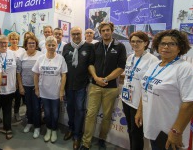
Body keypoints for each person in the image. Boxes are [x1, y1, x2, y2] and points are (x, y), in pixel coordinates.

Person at [135, 29, 193, 150]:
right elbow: (145, 88)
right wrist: (140, 111)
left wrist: (176, 131)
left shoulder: (184, 68)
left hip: (169, 129)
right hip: (153, 124)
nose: (166, 47)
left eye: (172, 44)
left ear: (180, 47)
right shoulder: (155, 65)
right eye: (162, 43)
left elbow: (190, 102)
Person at [80, 22, 127, 150]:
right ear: (100, 33)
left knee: (106, 116)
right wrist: (96, 78)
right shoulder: (95, 47)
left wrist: (106, 79)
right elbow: (90, 64)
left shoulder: (120, 47)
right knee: (90, 115)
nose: (106, 32)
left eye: (108, 30)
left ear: (112, 31)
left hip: (111, 88)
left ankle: (102, 138)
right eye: (103, 30)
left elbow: (121, 67)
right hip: (95, 86)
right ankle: (86, 143)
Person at [120, 31, 158, 150]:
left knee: (136, 133)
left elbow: (149, 85)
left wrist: (141, 108)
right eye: (133, 41)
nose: (135, 44)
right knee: (131, 130)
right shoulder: (130, 57)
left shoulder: (152, 60)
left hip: (139, 102)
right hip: (126, 99)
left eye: (139, 41)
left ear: (146, 42)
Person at [62, 27, 95, 150]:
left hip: (81, 85)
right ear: (70, 35)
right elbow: (63, 66)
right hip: (68, 85)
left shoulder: (89, 47)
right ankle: (70, 129)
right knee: (70, 108)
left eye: (78, 34)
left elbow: (91, 64)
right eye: (73, 34)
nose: (76, 36)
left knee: (80, 110)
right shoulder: (66, 48)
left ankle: (77, 136)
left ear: (82, 34)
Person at [32, 36, 68, 143]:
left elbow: (64, 75)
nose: (51, 47)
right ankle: (48, 129)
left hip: (56, 91)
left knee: (55, 113)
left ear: (56, 46)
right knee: (47, 113)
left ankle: (54, 130)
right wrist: (37, 89)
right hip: (44, 91)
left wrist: (61, 90)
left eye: (53, 45)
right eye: (49, 45)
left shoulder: (60, 58)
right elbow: (35, 75)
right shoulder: (40, 58)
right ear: (46, 46)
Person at [0, 35, 21, 141]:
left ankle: (8, 128)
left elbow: (17, 70)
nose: (3, 44)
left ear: (8, 43)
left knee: (8, 110)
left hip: (10, 87)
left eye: (5, 42)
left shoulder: (13, 54)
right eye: (1, 42)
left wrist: (17, 83)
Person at [19, 35, 43, 138]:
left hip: (36, 86)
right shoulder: (22, 56)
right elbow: (18, 72)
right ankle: (29, 123)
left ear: (36, 45)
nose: (31, 45)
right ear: (26, 45)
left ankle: (37, 127)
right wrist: (20, 86)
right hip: (26, 85)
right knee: (28, 106)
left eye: (33, 43)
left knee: (37, 107)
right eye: (29, 43)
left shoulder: (41, 55)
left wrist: (38, 86)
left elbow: (43, 72)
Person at [8, 32, 26, 121]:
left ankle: (16, 112)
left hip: (20, 76)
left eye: (16, 39)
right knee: (9, 98)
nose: (14, 41)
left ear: (18, 40)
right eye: (12, 39)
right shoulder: (7, 50)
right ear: (9, 40)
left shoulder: (22, 50)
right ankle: (7, 115)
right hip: (9, 77)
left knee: (18, 97)